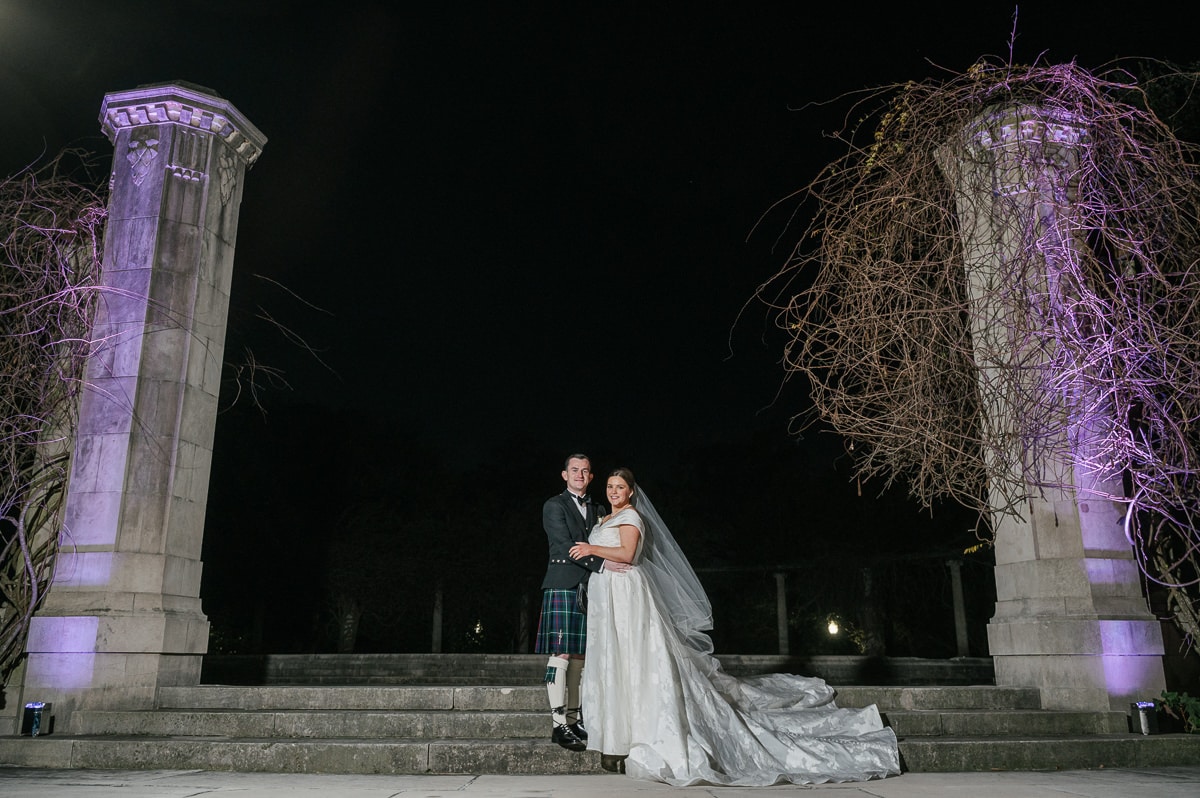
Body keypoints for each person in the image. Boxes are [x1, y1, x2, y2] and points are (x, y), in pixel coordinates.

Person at [568, 467, 902, 786]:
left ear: (631, 492)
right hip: (608, 599)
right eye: (610, 487)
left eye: (620, 487)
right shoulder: (606, 518)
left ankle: (642, 737)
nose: (614, 492)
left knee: (635, 661)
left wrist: (590, 548)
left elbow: (627, 554)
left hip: (628, 597)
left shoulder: (631, 517)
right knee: (617, 663)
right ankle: (617, 738)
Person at [533, 453, 617, 752]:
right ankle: (558, 725)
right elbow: (565, 545)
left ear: (591, 476)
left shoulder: (598, 508)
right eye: (574, 470)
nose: (580, 474)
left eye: (585, 470)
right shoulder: (554, 505)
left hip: (590, 587)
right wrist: (604, 564)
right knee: (561, 653)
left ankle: (574, 718)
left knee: (581, 655)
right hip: (563, 583)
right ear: (565, 475)